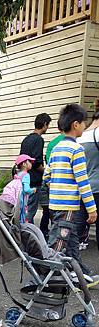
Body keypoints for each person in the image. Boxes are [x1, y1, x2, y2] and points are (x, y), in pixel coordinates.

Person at [44, 103, 97, 276]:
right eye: (84, 123)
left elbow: (47, 176)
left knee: (72, 240)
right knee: (58, 242)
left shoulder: (56, 148)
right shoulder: (77, 149)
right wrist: (92, 209)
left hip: (55, 204)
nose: (85, 126)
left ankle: (80, 273)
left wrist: (57, 188)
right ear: (76, 124)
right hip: (68, 207)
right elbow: (83, 183)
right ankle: (47, 277)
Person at [20, 113, 52, 226]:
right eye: (48, 125)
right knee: (31, 211)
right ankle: (28, 234)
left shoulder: (26, 139)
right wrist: (47, 172)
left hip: (23, 178)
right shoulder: (38, 140)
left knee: (24, 209)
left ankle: (22, 231)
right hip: (34, 180)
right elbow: (37, 162)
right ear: (44, 124)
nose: (47, 128)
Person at [77, 98, 99, 251]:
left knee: (77, 228)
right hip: (97, 188)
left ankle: (72, 268)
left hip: (83, 188)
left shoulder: (81, 137)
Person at [0, 154, 36, 223]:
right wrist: (33, 190)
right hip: (22, 199)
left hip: (16, 199)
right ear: (24, 164)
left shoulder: (18, 174)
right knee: (23, 215)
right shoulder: (26, 175)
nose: (31, 164)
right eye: (30, 162)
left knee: (17, 214)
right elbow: (26, 190)